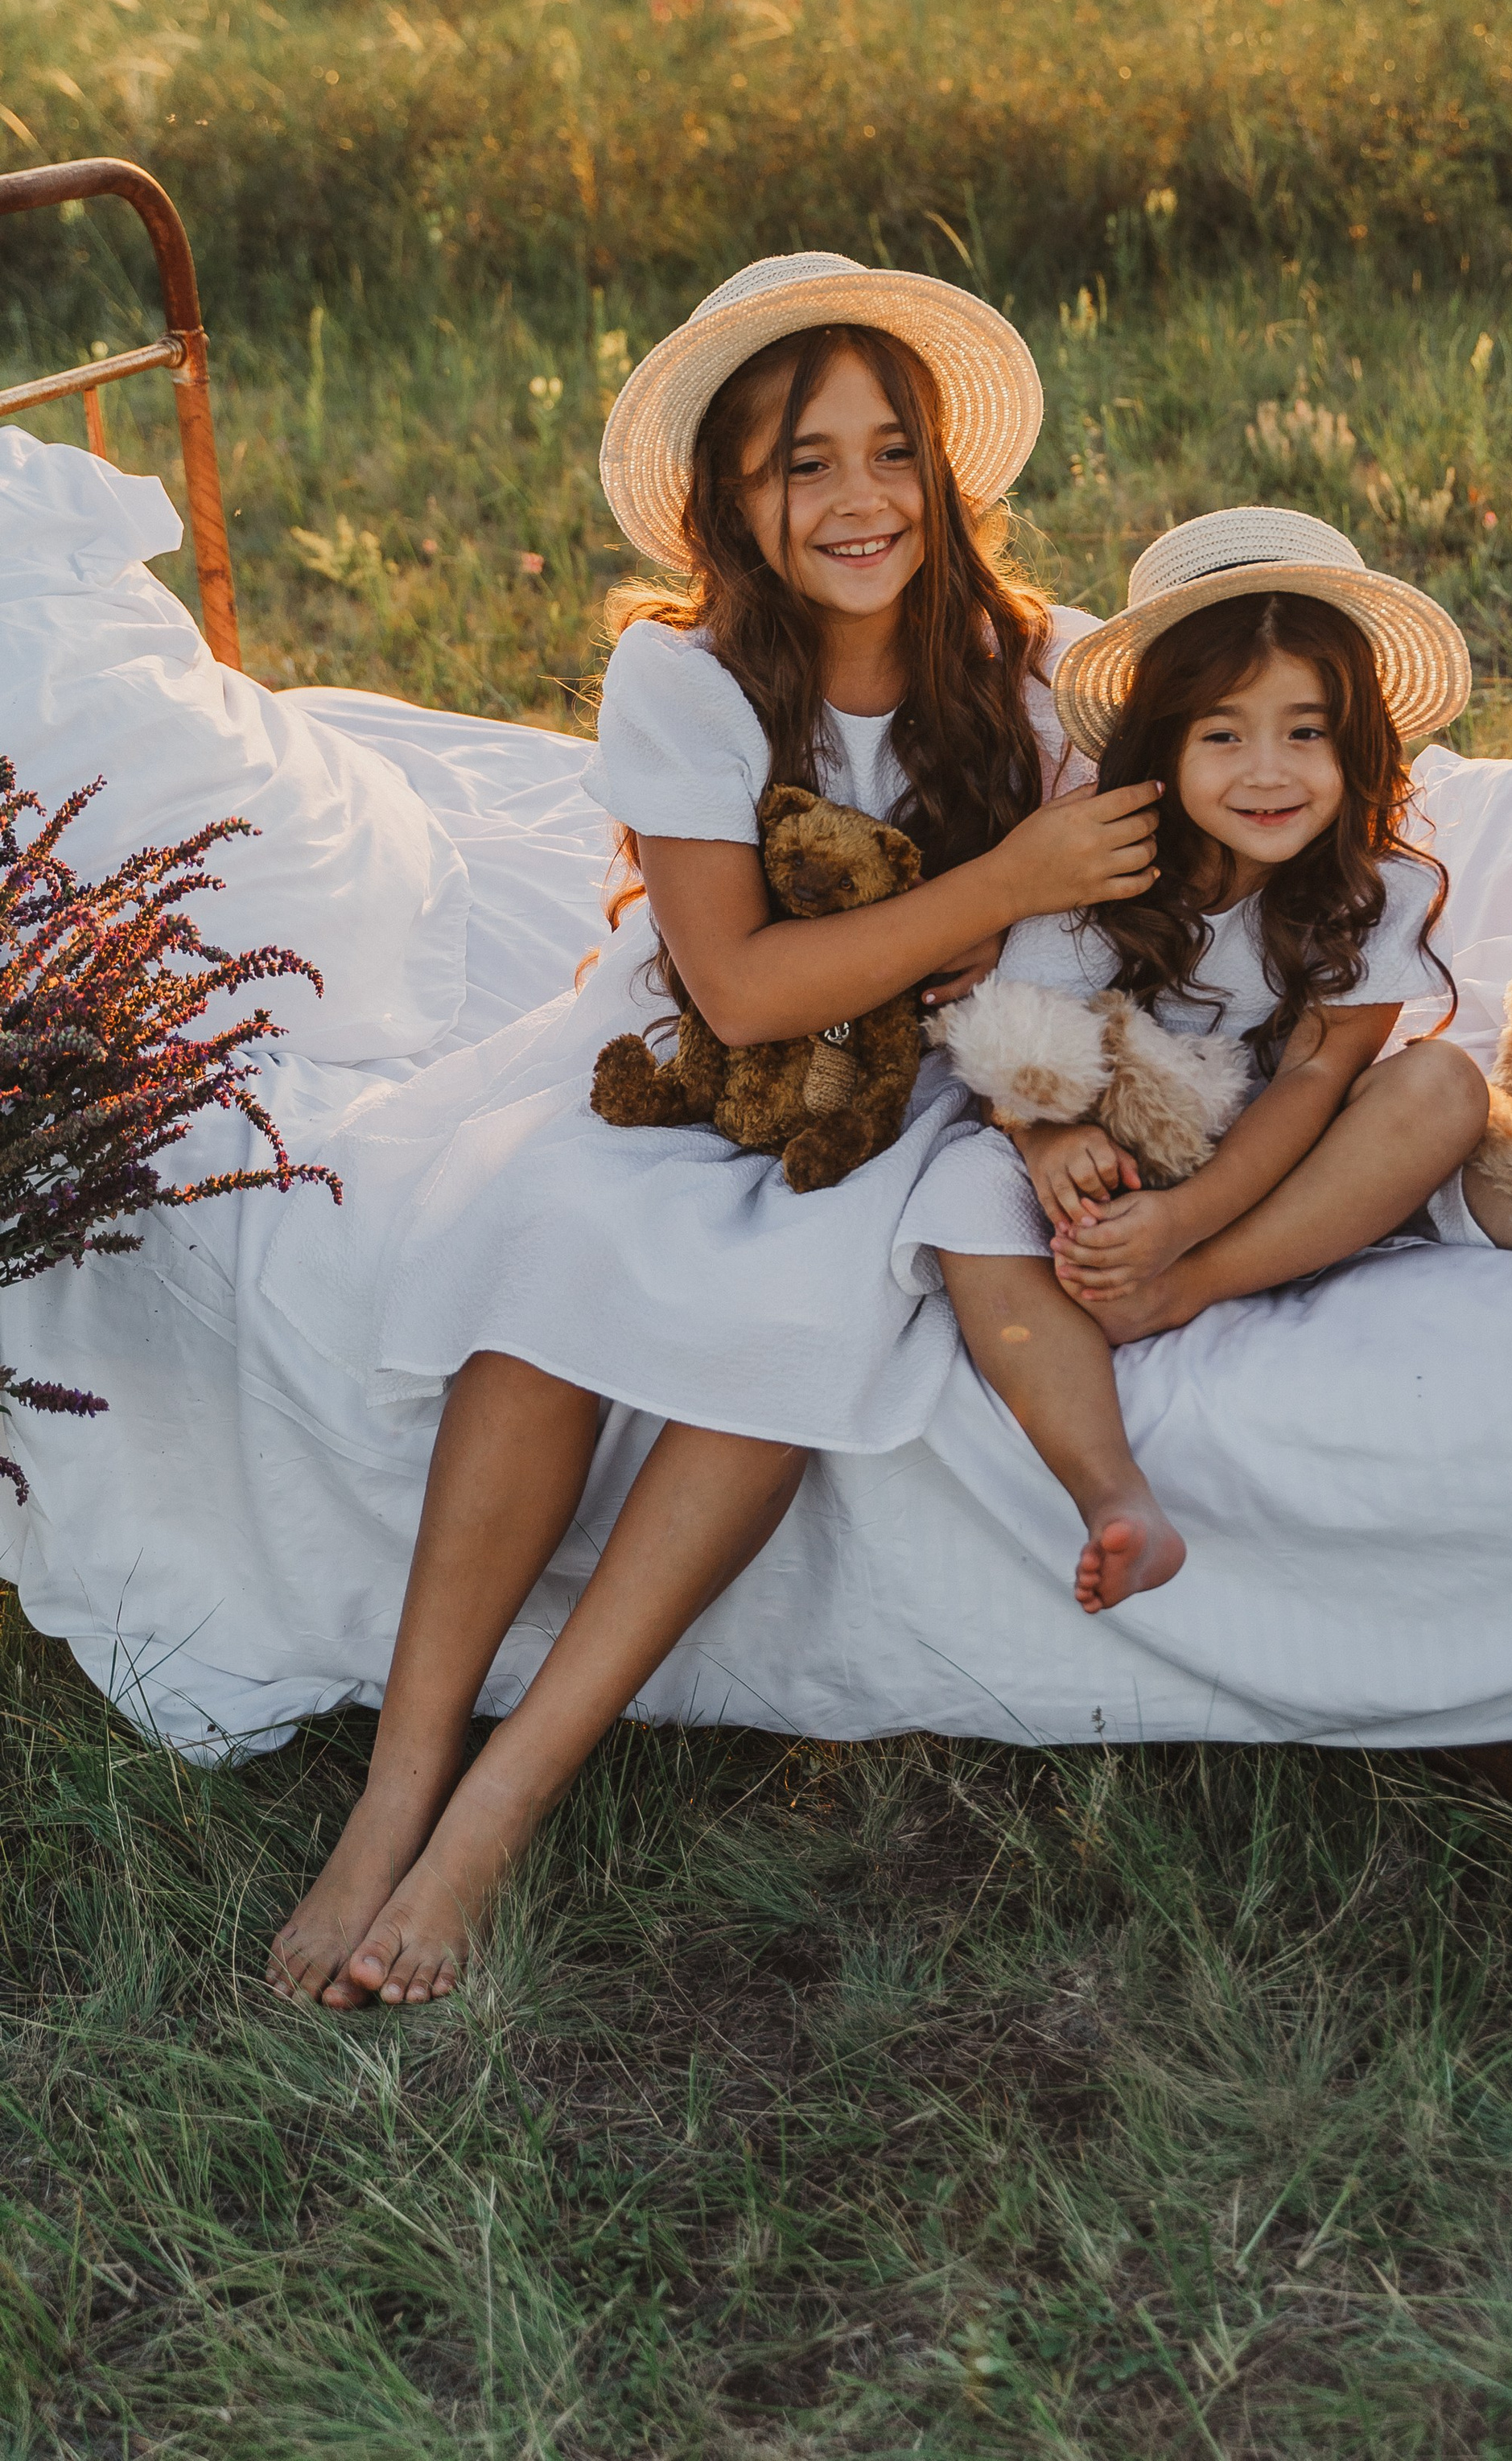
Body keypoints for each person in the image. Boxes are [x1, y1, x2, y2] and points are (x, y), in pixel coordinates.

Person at [266, 252, 1159, 2011]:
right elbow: (740, 990)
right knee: (553, 1254)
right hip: (683, 1053)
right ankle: (392, 1792)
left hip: (906, 1079)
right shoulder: (681, 677)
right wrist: (995, 881)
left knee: (789, 1320)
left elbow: (1061, 936)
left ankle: (498, 1809)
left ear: (943, 477)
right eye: (795, 462)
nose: (853, 499)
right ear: (728, 503)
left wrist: (1010, 973)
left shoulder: (1032, 669)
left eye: (887, 450)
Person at [905, 506, 1489, 1571]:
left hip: (1269, 1153)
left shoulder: (1380, 884)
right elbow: (1019, 1040)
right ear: (1163, 745)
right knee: (958, 1196)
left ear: (1357, 741)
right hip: (1101, 1131)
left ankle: (1190, 1294)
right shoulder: (1103, 864)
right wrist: (1045, 1145)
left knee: (1446, 1086)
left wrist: (1184, 1236)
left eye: (1306, 731)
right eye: (1224, 733)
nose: (1268, 772)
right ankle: (1113, 1495)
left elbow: (1316, 1077)